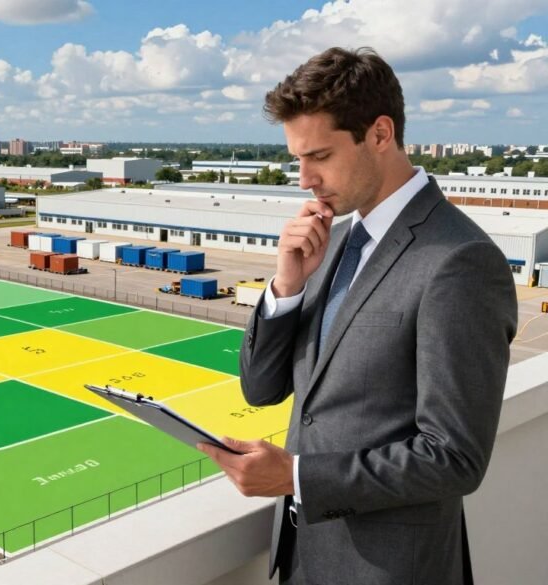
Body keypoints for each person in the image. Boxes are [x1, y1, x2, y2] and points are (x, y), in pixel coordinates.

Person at [197, 47, 517, 585]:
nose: (304, 179)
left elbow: (455, 456)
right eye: (297, 159)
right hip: (302, 557)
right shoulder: (337, 240)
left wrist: (295, 475)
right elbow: (260, 388)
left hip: (390, 571)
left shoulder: (459, 261)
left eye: (318, 156)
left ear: (380, 133)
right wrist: (286, 286)